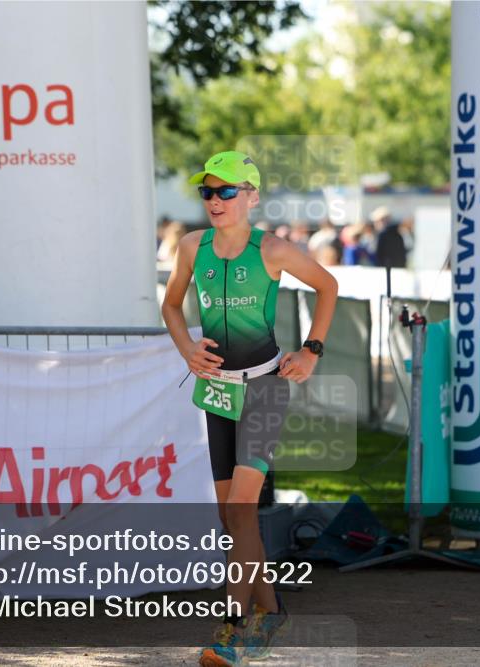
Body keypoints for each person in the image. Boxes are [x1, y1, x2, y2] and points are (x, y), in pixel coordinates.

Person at [160, 150, 338, 667]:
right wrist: (187, 349)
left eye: (226, 191)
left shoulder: (275, 250)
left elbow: (328, 286)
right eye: (207, 192)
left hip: (263, 389)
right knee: (231, 516)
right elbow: (171, 304)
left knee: (239, 511)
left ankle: (233, 631)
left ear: (252, 197)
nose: (215, 200)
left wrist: (312, 351)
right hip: (218, 390)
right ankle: (272, 608)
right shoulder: (192, 247)